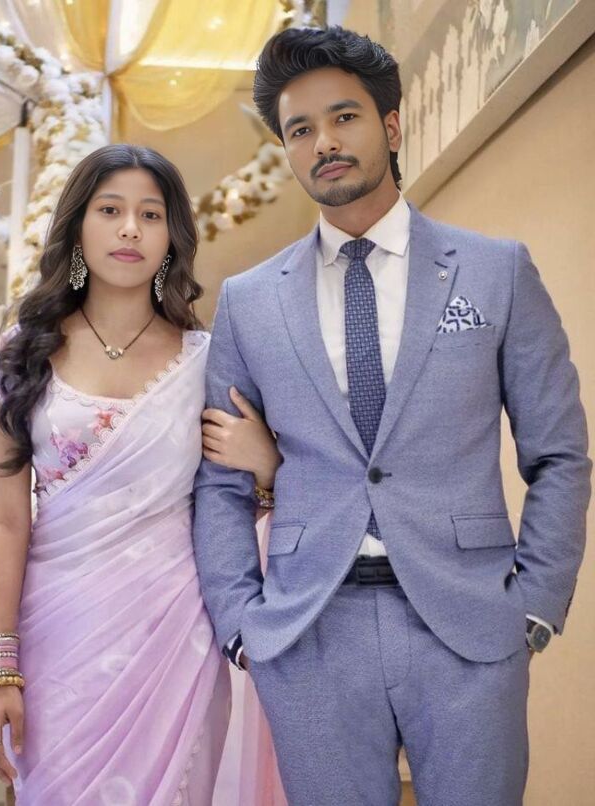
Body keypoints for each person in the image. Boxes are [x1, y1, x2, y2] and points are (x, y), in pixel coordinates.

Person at [193, 26, 591, 806]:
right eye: (300, 130)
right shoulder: (249, 301)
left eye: (344, 117)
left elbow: (559, 455)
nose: (323, 142)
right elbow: (220, 484)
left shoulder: (496, 271)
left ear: (392, 126)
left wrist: (537, 606)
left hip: (471, 624)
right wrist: (243, 625)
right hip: (310, 629)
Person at [0, 144, 281, 805]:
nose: (131, 229)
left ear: (172, 236)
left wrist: (267, 464)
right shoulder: (22, 353)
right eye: (110, 210)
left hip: (177, 639)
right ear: (78, 226)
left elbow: (239, 504)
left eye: (151, 214)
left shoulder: (208, 360)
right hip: (60, 639)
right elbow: (2, 518)